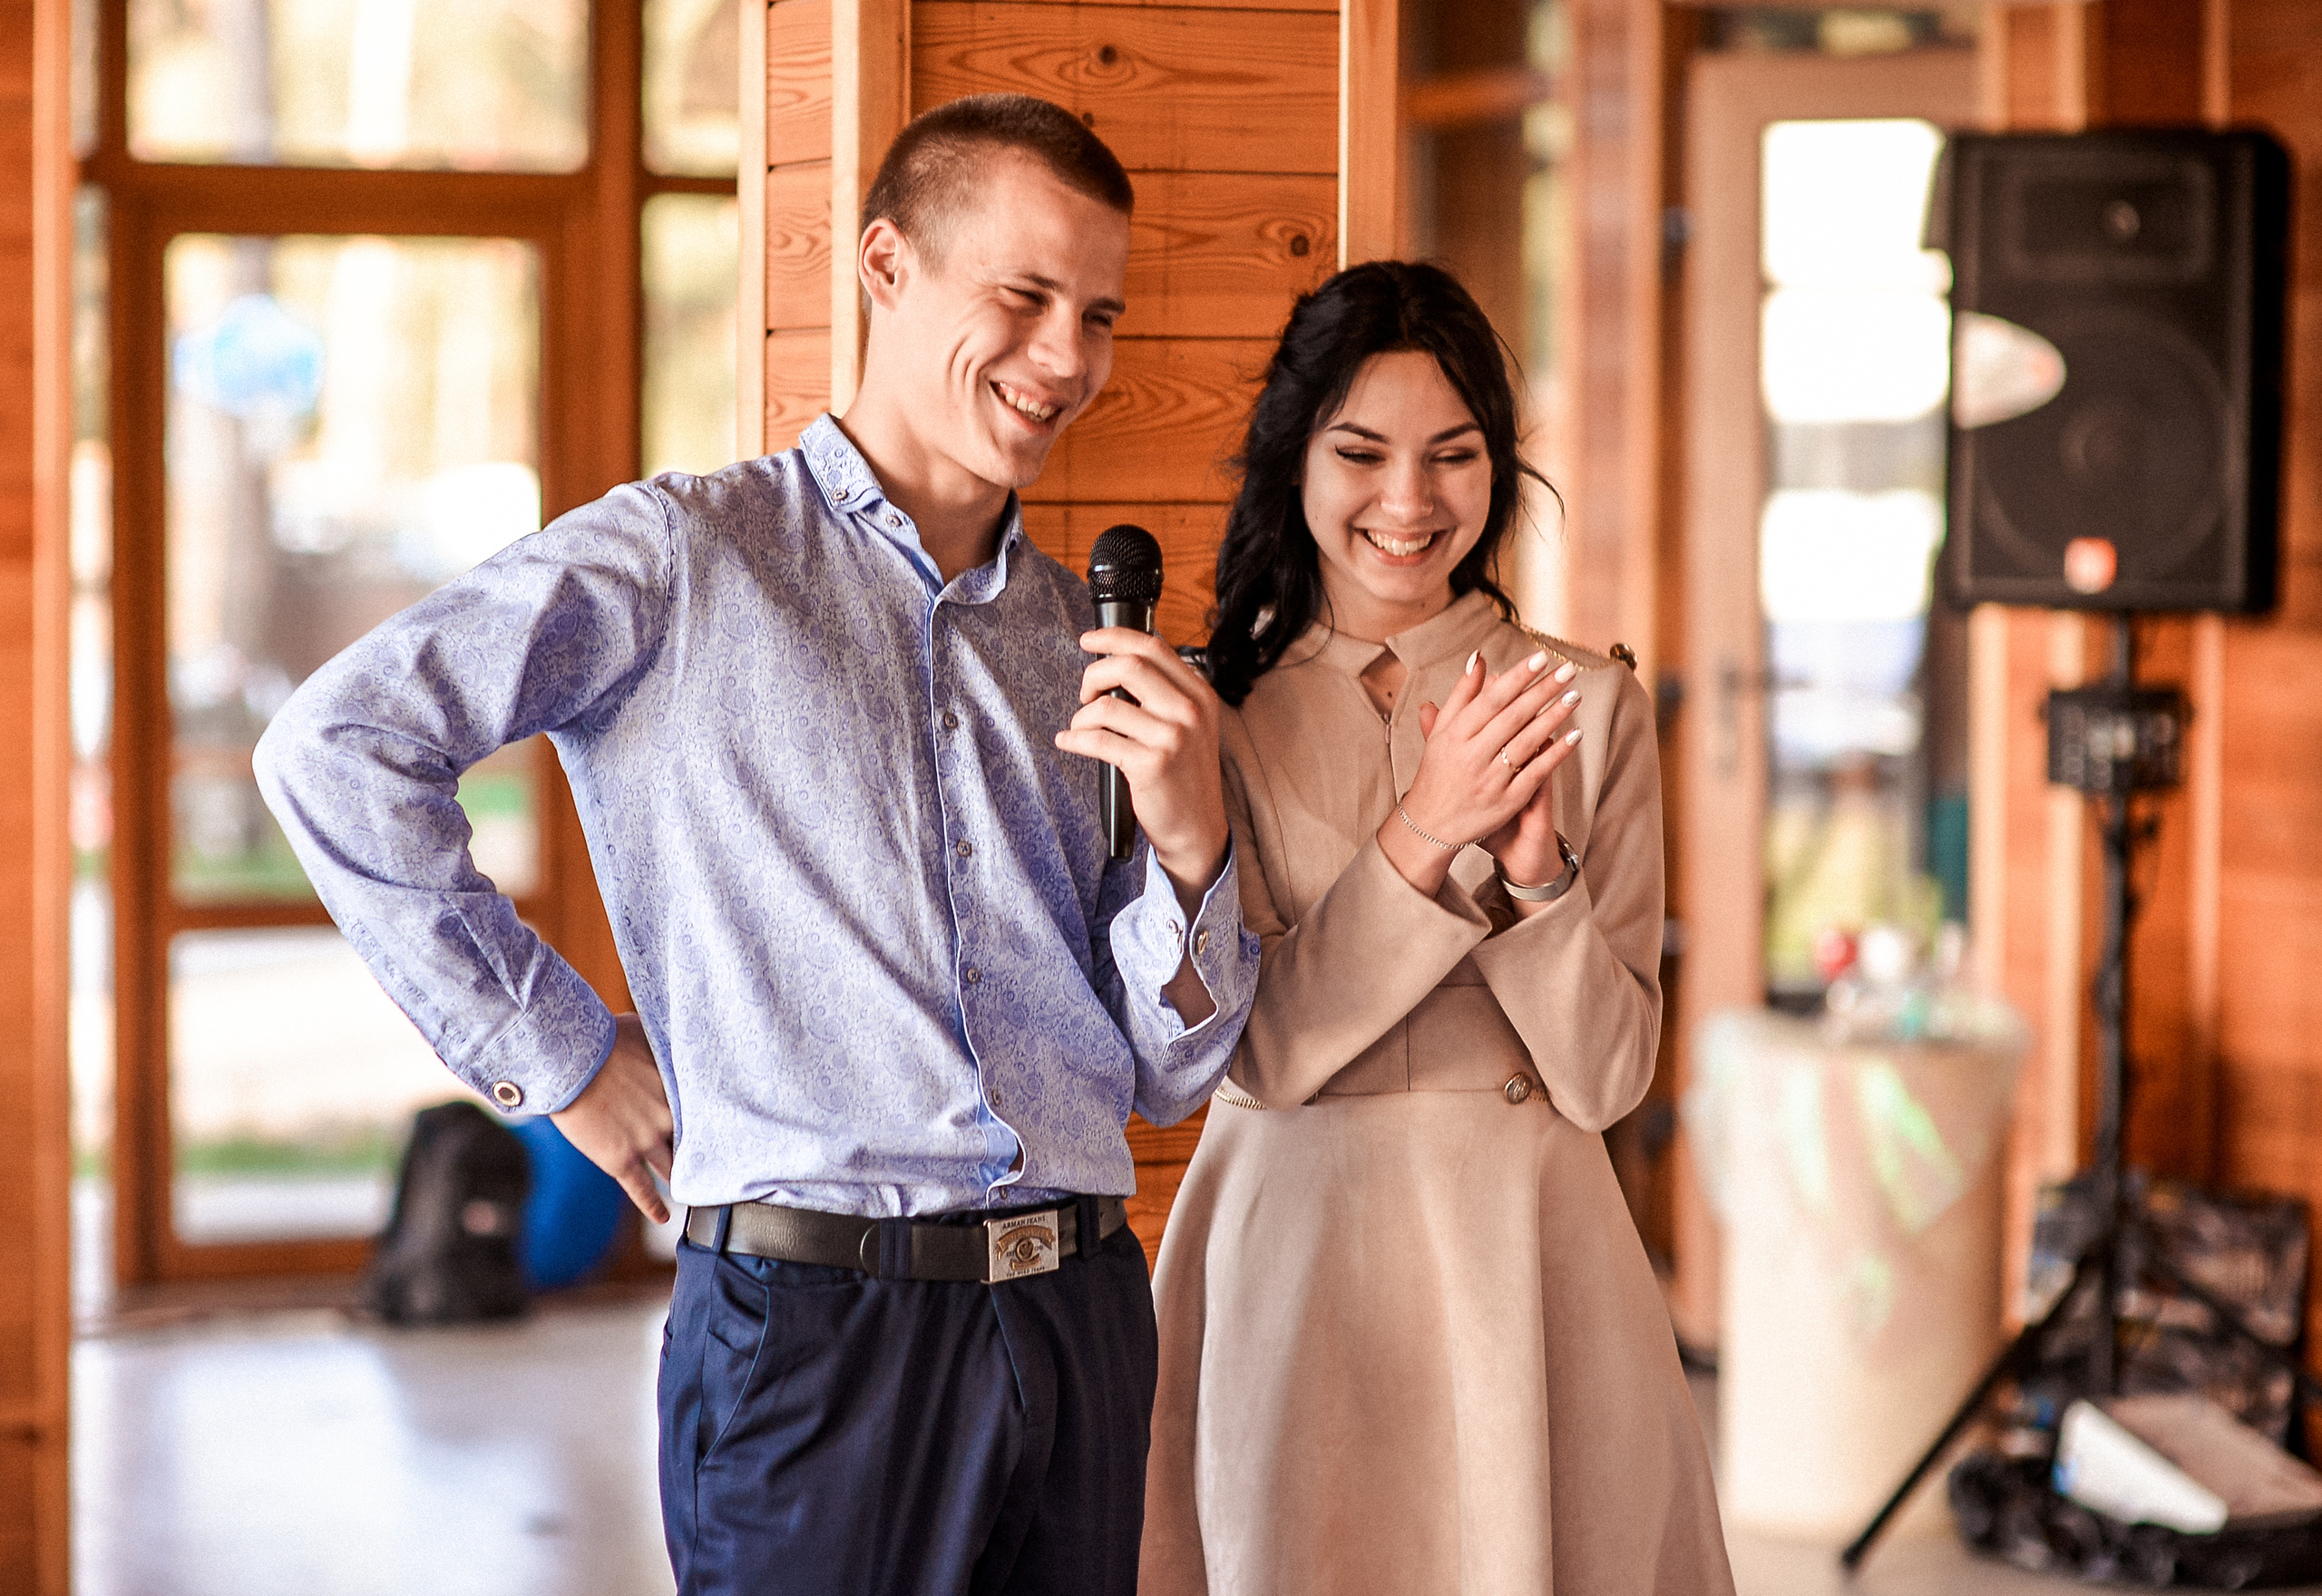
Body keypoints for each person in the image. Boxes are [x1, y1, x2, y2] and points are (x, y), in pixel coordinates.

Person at [255, 93, 1258, 1596]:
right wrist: (564, 1057)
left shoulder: (1081, 639)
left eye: (1100, 315)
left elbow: (1167, 1069)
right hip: (812, 1344)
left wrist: (1190, 858)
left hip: (1080, 1321)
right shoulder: (682, 557)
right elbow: (335, 749)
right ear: (884, 265)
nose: (1068, 359)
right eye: (1026, 297)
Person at [1137, 261, 1733, 1595]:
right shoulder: (1210, 714)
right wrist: (1428, 831)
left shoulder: (1589, 705)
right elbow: (1263, 1056)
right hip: (1292, 1253)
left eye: (1453, 456)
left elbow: (1607, 1074)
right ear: (1296, 460)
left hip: (1531, 1261)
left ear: (1500, 467)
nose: (1408, 504)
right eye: (1361, 453)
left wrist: (1536, 885)